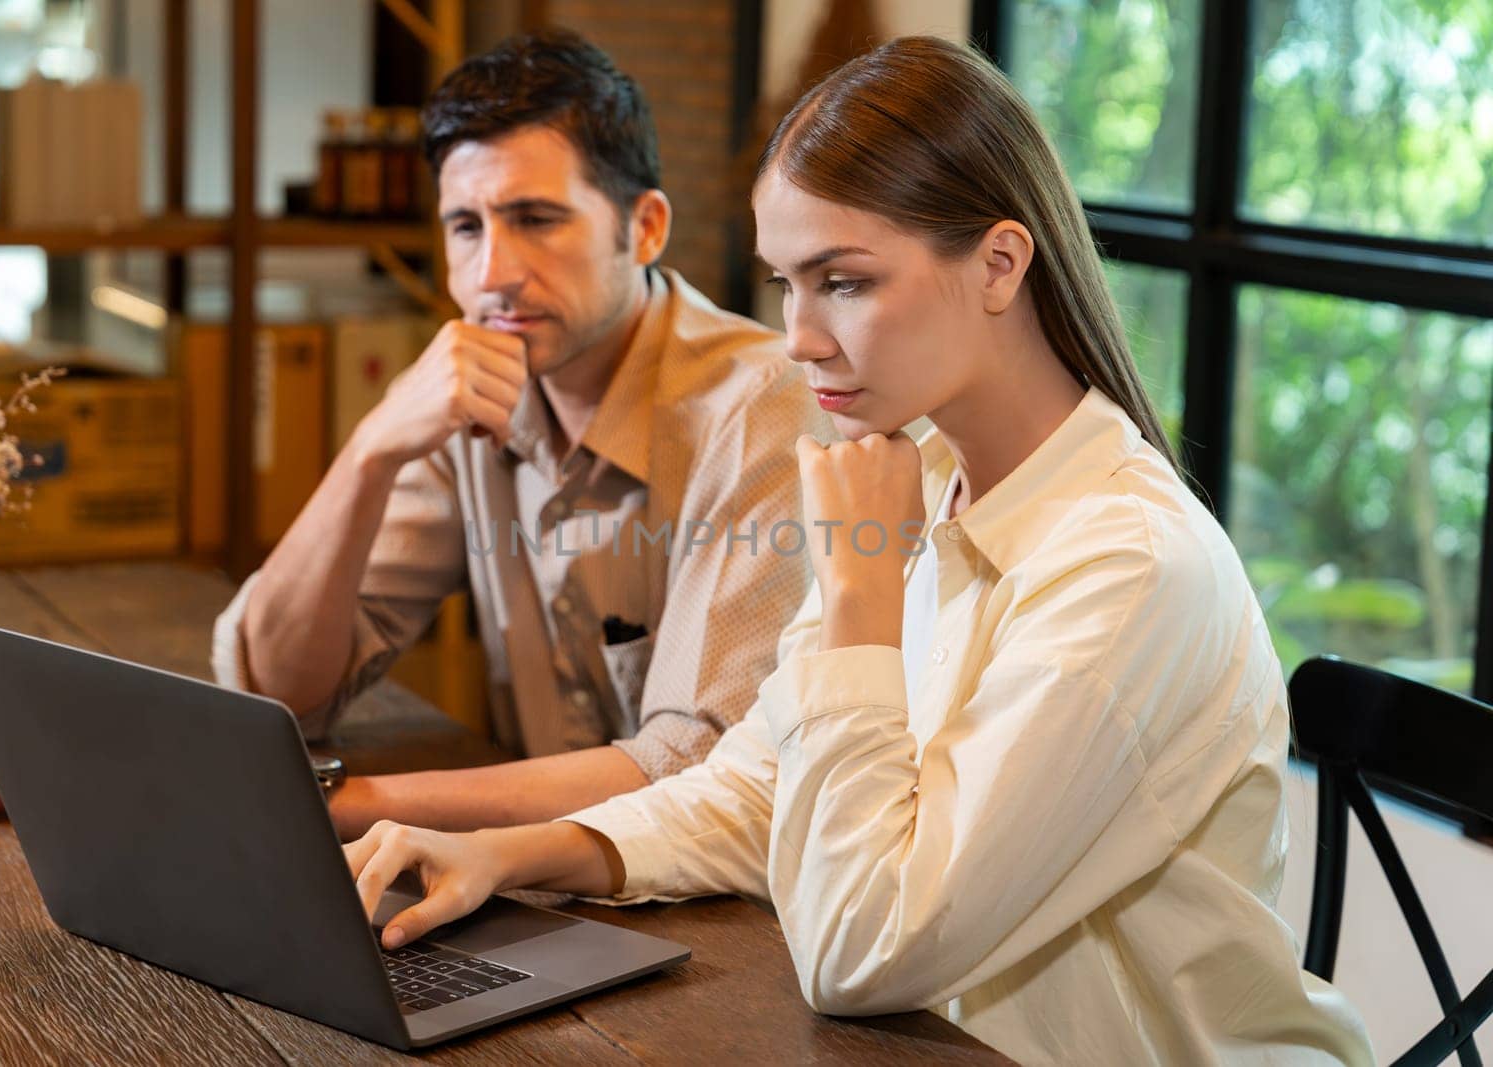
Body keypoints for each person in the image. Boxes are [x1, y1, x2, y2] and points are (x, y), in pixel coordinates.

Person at [341, 36, 1377, 1066]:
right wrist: (496, 853)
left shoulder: (1131, 566)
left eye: (842, 281)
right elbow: (761, 786)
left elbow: (859, 953)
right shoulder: (917, 476)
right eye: (784, 283)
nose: (797, 334)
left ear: (999, 265)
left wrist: (859, 596)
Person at [211, 29, 828, 839]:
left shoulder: (761, 409)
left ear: (644, 228)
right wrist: (370, 450)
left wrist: (362, 807)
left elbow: (698, 767)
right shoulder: (464, 397)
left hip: (749, 918)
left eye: (535, 218)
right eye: (465, 226)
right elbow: (279, 689)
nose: (493, 272)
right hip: (541, 884)